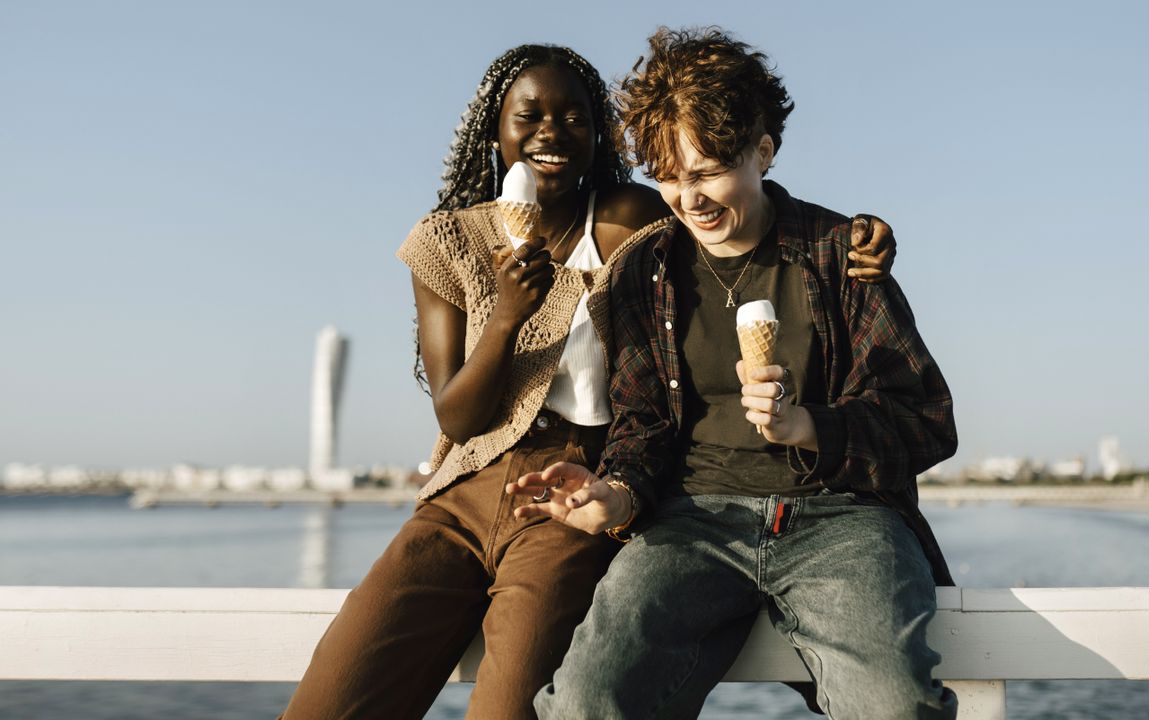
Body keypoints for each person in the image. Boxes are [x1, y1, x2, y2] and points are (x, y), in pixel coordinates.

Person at [282, 43, 899, 720]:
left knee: (516, 707)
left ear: (599, 134)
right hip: (465, 485)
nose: (552, 131)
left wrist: (854, 236)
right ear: (494, 129)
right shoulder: (447, 241)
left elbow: (734, 196)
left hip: (577, 484)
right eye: (530, 115)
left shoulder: (639, 218)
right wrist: (508, 317)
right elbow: (458, 418)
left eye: (575, 117)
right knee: (334, 697)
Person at [509, 28, 959, 720]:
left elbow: (926, 419)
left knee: (894, 705)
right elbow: (643, 426)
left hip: (844, 519)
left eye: (709, 170)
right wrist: (618, 494)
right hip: (692, 522)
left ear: (763, 151)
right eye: (669, 177)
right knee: (585, 701)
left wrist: (809, 424)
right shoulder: (642, 271)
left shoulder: (843, 254)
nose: (690, 199)